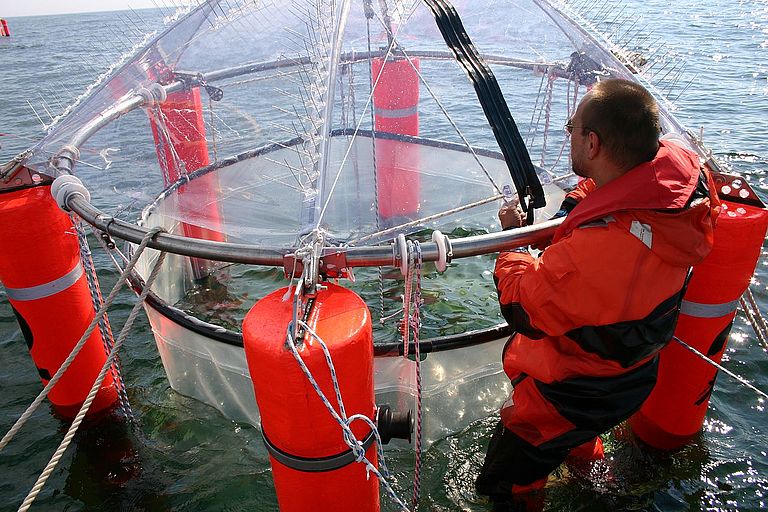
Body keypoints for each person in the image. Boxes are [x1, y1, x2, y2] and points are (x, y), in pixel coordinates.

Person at [475, 78, 721, 510]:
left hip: (570, 390)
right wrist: (574, 208)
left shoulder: (600, 249)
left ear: (592, 143)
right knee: (577, 439)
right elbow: (613, 192)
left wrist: (513, 240)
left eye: (572, 126)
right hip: (630, 375)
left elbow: (522, 305)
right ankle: (596, 483)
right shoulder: (678, 193)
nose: (567, 132)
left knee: (502, 484)